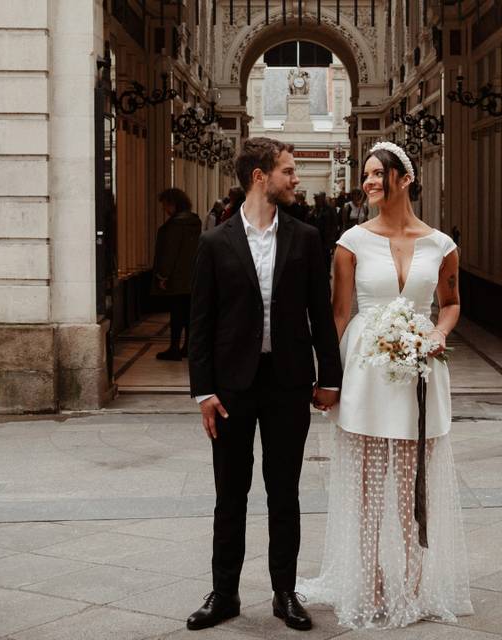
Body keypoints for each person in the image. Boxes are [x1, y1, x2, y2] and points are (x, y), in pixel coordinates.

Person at [298, 142, 472, 628]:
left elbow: (452, 302)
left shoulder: (441, 245)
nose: (369, 182)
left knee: (411, 486)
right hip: (366, 371)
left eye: (378, 174)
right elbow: (338, 312)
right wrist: (325, 376)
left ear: (405, 179)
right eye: (367, 175)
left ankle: (414, 583)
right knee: (368, 484)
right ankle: (371, 581)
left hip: (420, 368)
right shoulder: (351, 241)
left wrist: (437, 332)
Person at [186, 137, 344, 632]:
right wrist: (203, 391)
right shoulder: (215, 242)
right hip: (231, 388)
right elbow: (202, 323)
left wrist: (330, 378)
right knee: (229, 494)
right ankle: (225, 594)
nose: (296, 179)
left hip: (288, 383)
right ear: (260, 176)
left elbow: (320, 312)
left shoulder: (305, 237)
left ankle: (284, 592)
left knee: (285, 493)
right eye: (288, 171)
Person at [151, 188, 201, 360]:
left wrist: (163, 276)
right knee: (188, 314)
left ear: (173, 204)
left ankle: (174, 347)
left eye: (166, 205)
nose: (165, 209)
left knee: (176, 314)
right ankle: (187, 346)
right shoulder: (194, 222)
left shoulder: (174, 225)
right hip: (192, 276)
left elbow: (169, 253)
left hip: (177, 279)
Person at [310, 192, 340, 273]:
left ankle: (327, 272)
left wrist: (333, 237)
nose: (316, 200)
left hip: (327, 237)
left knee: (326, 256)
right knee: (316, 255)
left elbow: (334, 223)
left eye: (318, 198)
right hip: (316, 236)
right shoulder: (314, 209)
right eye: (315, 199)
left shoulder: (329, 209)